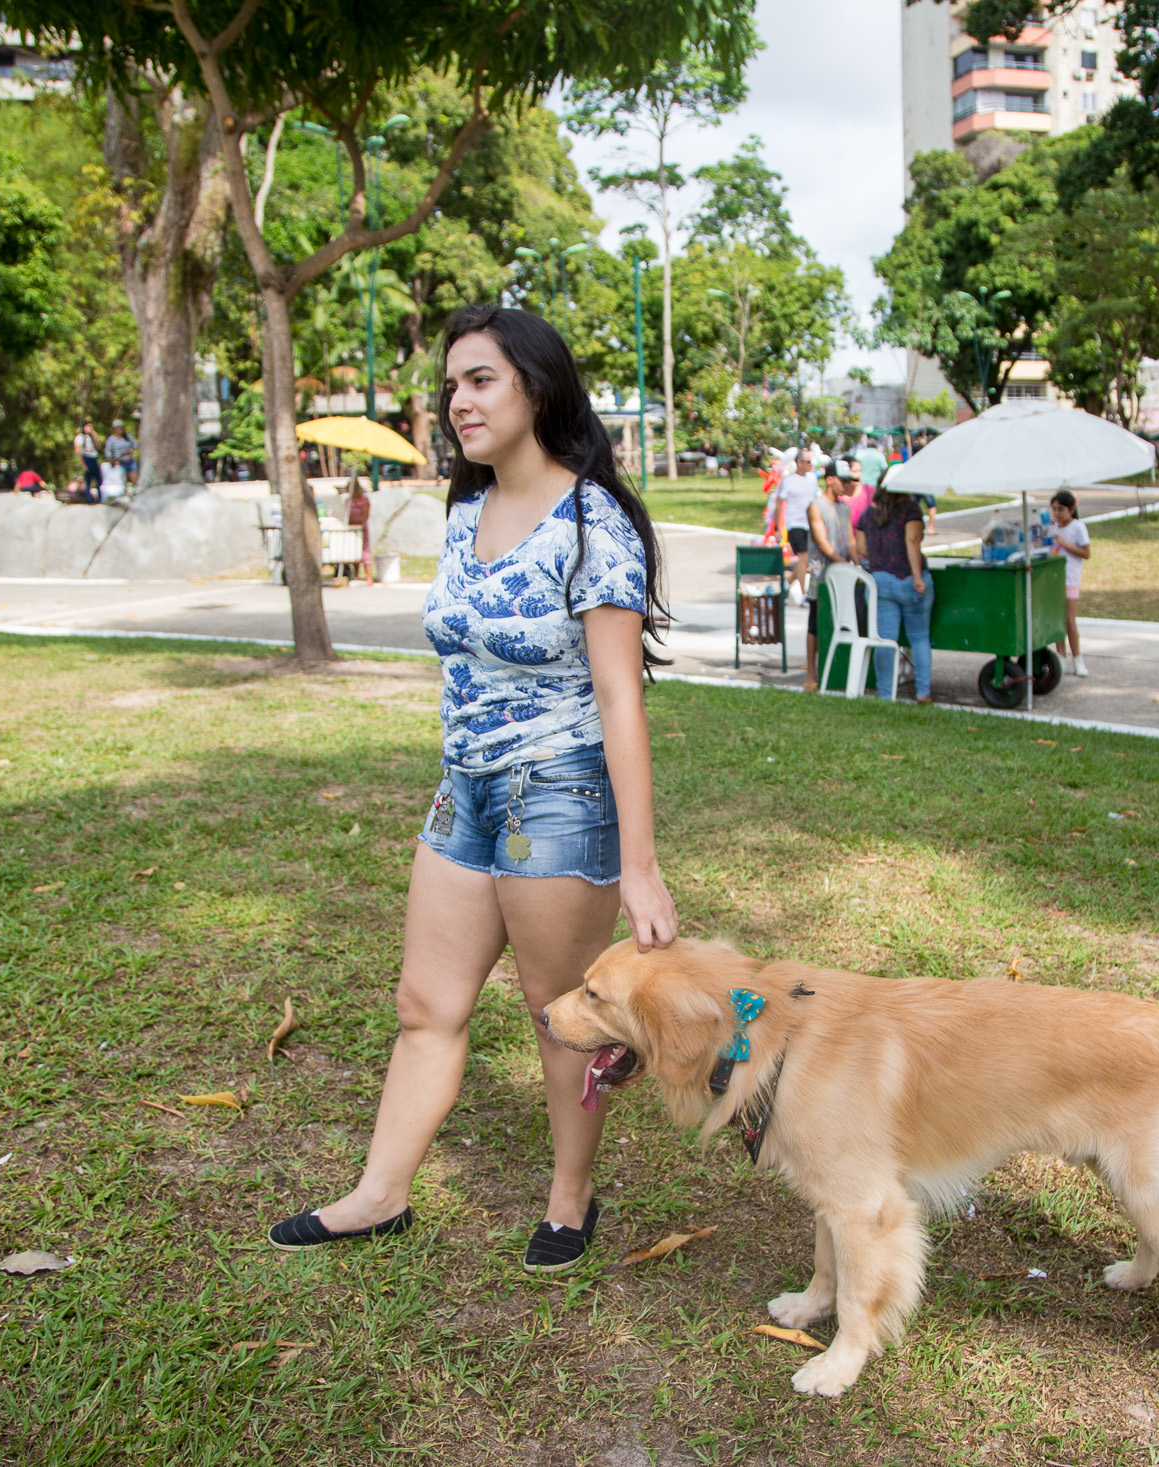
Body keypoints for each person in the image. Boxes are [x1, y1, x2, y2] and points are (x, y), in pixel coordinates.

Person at [266, 304, 676, 1273]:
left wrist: (641, 865)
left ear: (537, 385)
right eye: (452, 383)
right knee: (425, 1002)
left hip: (560, 795)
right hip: (465, 792)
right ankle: (380, 1194)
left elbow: (620, 698)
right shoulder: (464, 511)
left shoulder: (593, 523)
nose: (459, 400)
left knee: (558, 1012)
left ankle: (570, 1198)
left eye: (481, 379)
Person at [855, 484, 934, 703]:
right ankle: (923, 692)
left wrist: (880, 558)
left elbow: (860, 547)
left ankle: (885, 695)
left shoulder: (868, 514)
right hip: (909, 581)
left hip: (880, 583)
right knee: (919, 637)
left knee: (885, 640)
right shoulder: (911, 509)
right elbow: (912, 541)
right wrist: (917, 576)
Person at [801, 458, 859, 692]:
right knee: (815, 623)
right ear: (830, 480)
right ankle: (811, 673)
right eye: (842, 481)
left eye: (848, 481)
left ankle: (837, 670)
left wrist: (857, 565)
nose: (846, 485)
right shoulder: (816, 506)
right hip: (822, 576)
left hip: (843, 575)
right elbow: (822, 542)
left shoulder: (845, 508)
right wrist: (845, 564)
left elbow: (851, 540)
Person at [1048, 490, 1091, 676]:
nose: (1057, 513)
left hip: (1070, 579)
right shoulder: (1053, 528)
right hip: (1054, 579)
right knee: (1058, 620)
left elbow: (1086, 553)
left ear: (1071, 510)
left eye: (1061, 509)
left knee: (1069, 620)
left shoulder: (1078, 527)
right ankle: (1061, 657)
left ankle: (1077, 658)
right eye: (1054, 509)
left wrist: (1065, 544)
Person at [775, 449, 821, 601]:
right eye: (807, 462)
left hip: (810, 523)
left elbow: (815, 500)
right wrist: (776, 528)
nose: (810, 465)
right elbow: (779, 503)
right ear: (799, 463)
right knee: (804, 558)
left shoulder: (812, 478)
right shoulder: (788, 480)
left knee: (804, 561)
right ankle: (803, 595)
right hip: (794, 523)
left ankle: (786, 585)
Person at [103, 422, 136, 499]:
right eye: (118, 427)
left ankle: (135, 494)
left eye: (121, 427)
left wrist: (130, 450)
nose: (120, 429)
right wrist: (112, 459)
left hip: (130, 460)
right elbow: (107, 451)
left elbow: (135, 445)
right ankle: (124, 496)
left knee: (134, 478)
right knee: (123, 480)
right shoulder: (111, 439)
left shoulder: (127, 436)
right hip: (120, 461)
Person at [73, 422, 101, 504]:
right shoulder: (80, 437)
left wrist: (94, 436)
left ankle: (99, 499)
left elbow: (98, 447)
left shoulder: (91, 437)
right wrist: (83, 464)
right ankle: (89, 499)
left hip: (94, 458)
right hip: (86, 458)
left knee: (99, 480)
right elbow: (78, 451)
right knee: (88, 481)